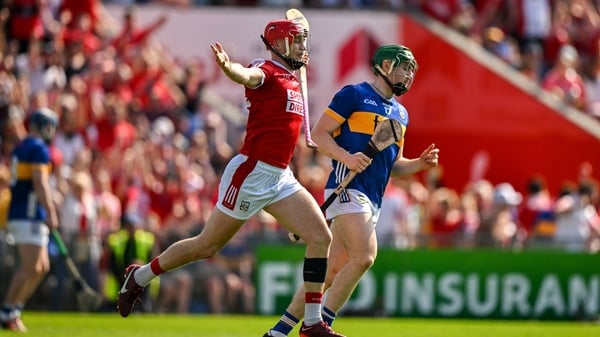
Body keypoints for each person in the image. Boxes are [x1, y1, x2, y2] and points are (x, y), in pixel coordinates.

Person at [117, 18, 344, 337]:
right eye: (299, 42)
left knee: (321, 237)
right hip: (251, 173)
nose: (304, 49)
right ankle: (138, 276)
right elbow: (247, 76)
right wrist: (229, 68)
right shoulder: (264, 69)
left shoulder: (292, 79)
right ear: (280, 44)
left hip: (281, 176)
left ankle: (311, 323)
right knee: (205, 246)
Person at [263, 44, 440, 337]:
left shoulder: (401, 113)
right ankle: (318, 326)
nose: (408, 75)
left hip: (374, 197)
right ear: (384, 66)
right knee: (366, 255)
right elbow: (318, 136)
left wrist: (419, 164)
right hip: (348, 187)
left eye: (411, 71)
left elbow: (393, 164)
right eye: (403, 67)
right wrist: (346, 157)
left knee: (331, 272)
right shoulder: (354, 95)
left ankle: (278, 331)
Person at [0, 107, 59, 332]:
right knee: (30, 267)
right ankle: (7, 310)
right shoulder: (38, 148)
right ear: (45, 126)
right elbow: (39, 182)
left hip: (25, 213)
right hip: (28, 214)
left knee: (41, 267)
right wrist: (51, 211)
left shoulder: (21, 147)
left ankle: (14, 309)